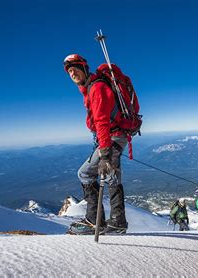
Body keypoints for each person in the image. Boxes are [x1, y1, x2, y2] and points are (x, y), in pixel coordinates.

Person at [64, 54, 130, 235]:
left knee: (85, 173)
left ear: (84, 68)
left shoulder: (97, 88)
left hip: (112, 137)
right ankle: (115, 221)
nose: (72, 73)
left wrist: (105, 154)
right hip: (114, 136)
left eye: (75, 69)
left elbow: (101, 121)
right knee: (110, 176)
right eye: (69, 71)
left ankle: (97, 221)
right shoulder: (91, 88)